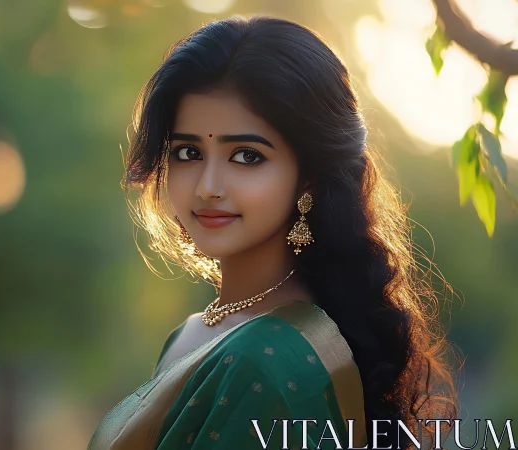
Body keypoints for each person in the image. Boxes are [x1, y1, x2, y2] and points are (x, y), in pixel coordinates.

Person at [87, 15, 460, 450]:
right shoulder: (195, 333)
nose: (208, 186)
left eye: (246, 156)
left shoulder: (264, 362)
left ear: (308, 176)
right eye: (188, 152)